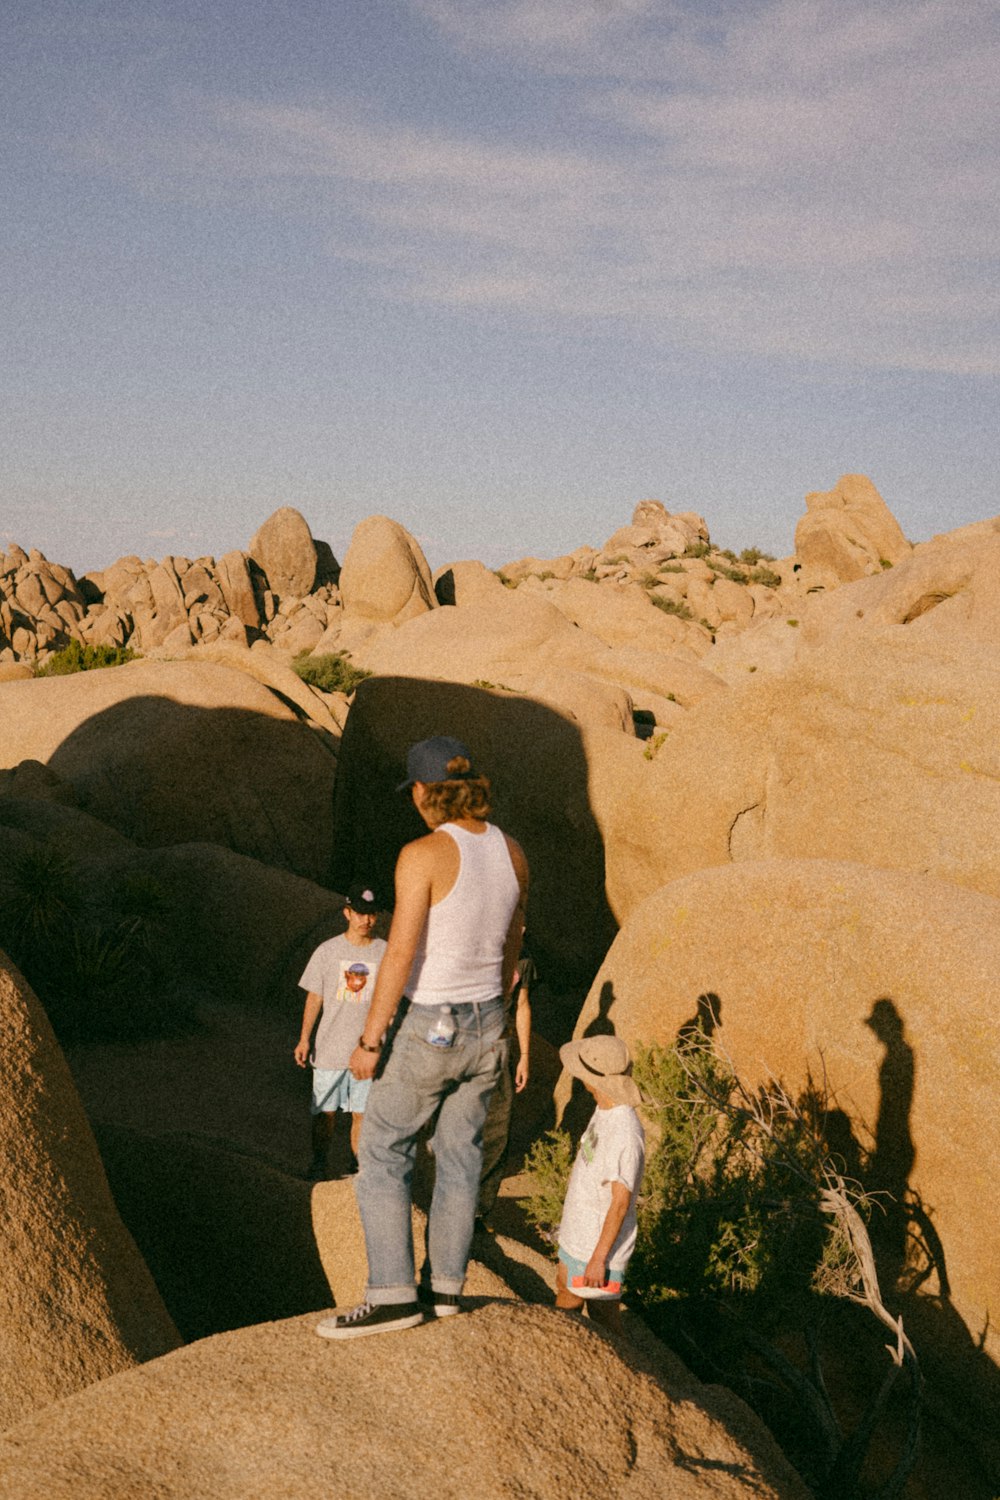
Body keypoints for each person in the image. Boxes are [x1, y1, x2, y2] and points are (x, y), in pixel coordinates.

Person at [316, 735, 528, 1340]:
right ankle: (446, 1291)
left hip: (432, 1021)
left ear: (423, 791)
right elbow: (514, 945)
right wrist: (498, 1012)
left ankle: (391, 1295)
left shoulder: (422, 854)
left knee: (383, 1149)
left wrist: (370, 1040)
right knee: (461, 1156)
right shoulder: (513, 852)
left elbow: (401, 951)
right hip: (490, 1021)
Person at [554, 1034, 645, 1335]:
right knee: (567, 1297)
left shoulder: (625, 1133)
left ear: (593, 1080)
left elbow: (620, 1203)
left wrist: (598, 1259)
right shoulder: (603, 1108)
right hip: (578, 1237)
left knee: (598, 1317)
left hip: (596, 1250)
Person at [294, 882, 386, 1180]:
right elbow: (315, 997)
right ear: (347, 913)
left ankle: (358, 1166)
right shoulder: (328, 951)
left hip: (369, 1049)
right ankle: (319, 1163)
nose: (366, 920)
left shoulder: (385, 953)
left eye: (371, 914)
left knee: (362, 1113)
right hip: (330, 1046)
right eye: (359, 913)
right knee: (325, 1112)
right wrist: (304, 1038)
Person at [475, 938, 534, 1229]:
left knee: (498, 1128)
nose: (519, 929)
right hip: (468, 1047)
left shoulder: (522, 960)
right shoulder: (478, 947)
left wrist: (524, 1056)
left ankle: (481, 1209)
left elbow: (522, 1006)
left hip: (501, 1049)